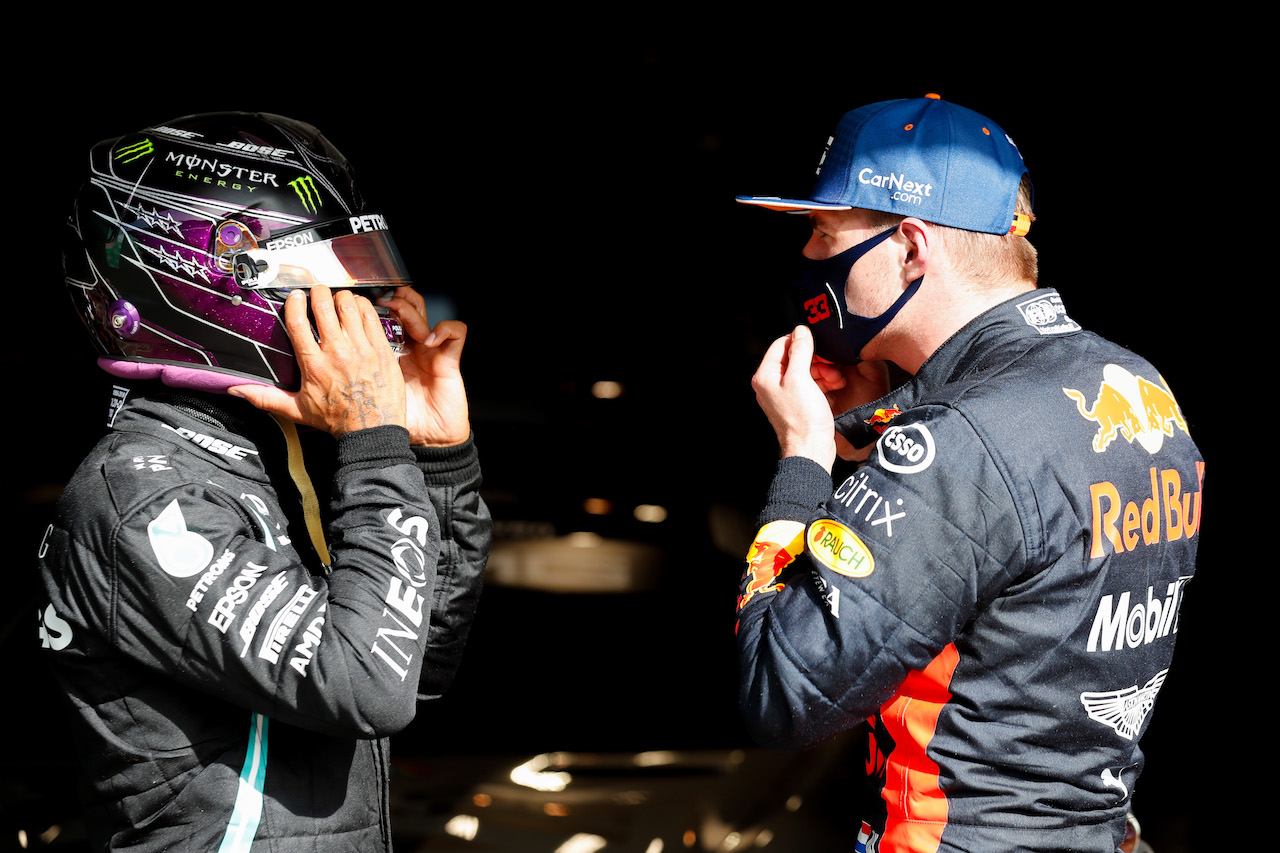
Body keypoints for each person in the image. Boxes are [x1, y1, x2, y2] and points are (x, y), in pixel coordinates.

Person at [734, 94, 1203, 852]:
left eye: (823, 232)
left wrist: (802, 459)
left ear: (912, 249)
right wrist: (868, 431)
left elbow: (782, 689)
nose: (810, 260)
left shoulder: (960, 442)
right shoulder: (1138, 387)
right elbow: (1005, 545)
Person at [37, 112, 490, 851]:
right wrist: (373, 446)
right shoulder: (143, 493)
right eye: (329, 279)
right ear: (200, 281)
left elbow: (416, 665)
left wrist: (434, 458)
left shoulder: (273, 451)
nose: (366, 308)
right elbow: (367, 685)